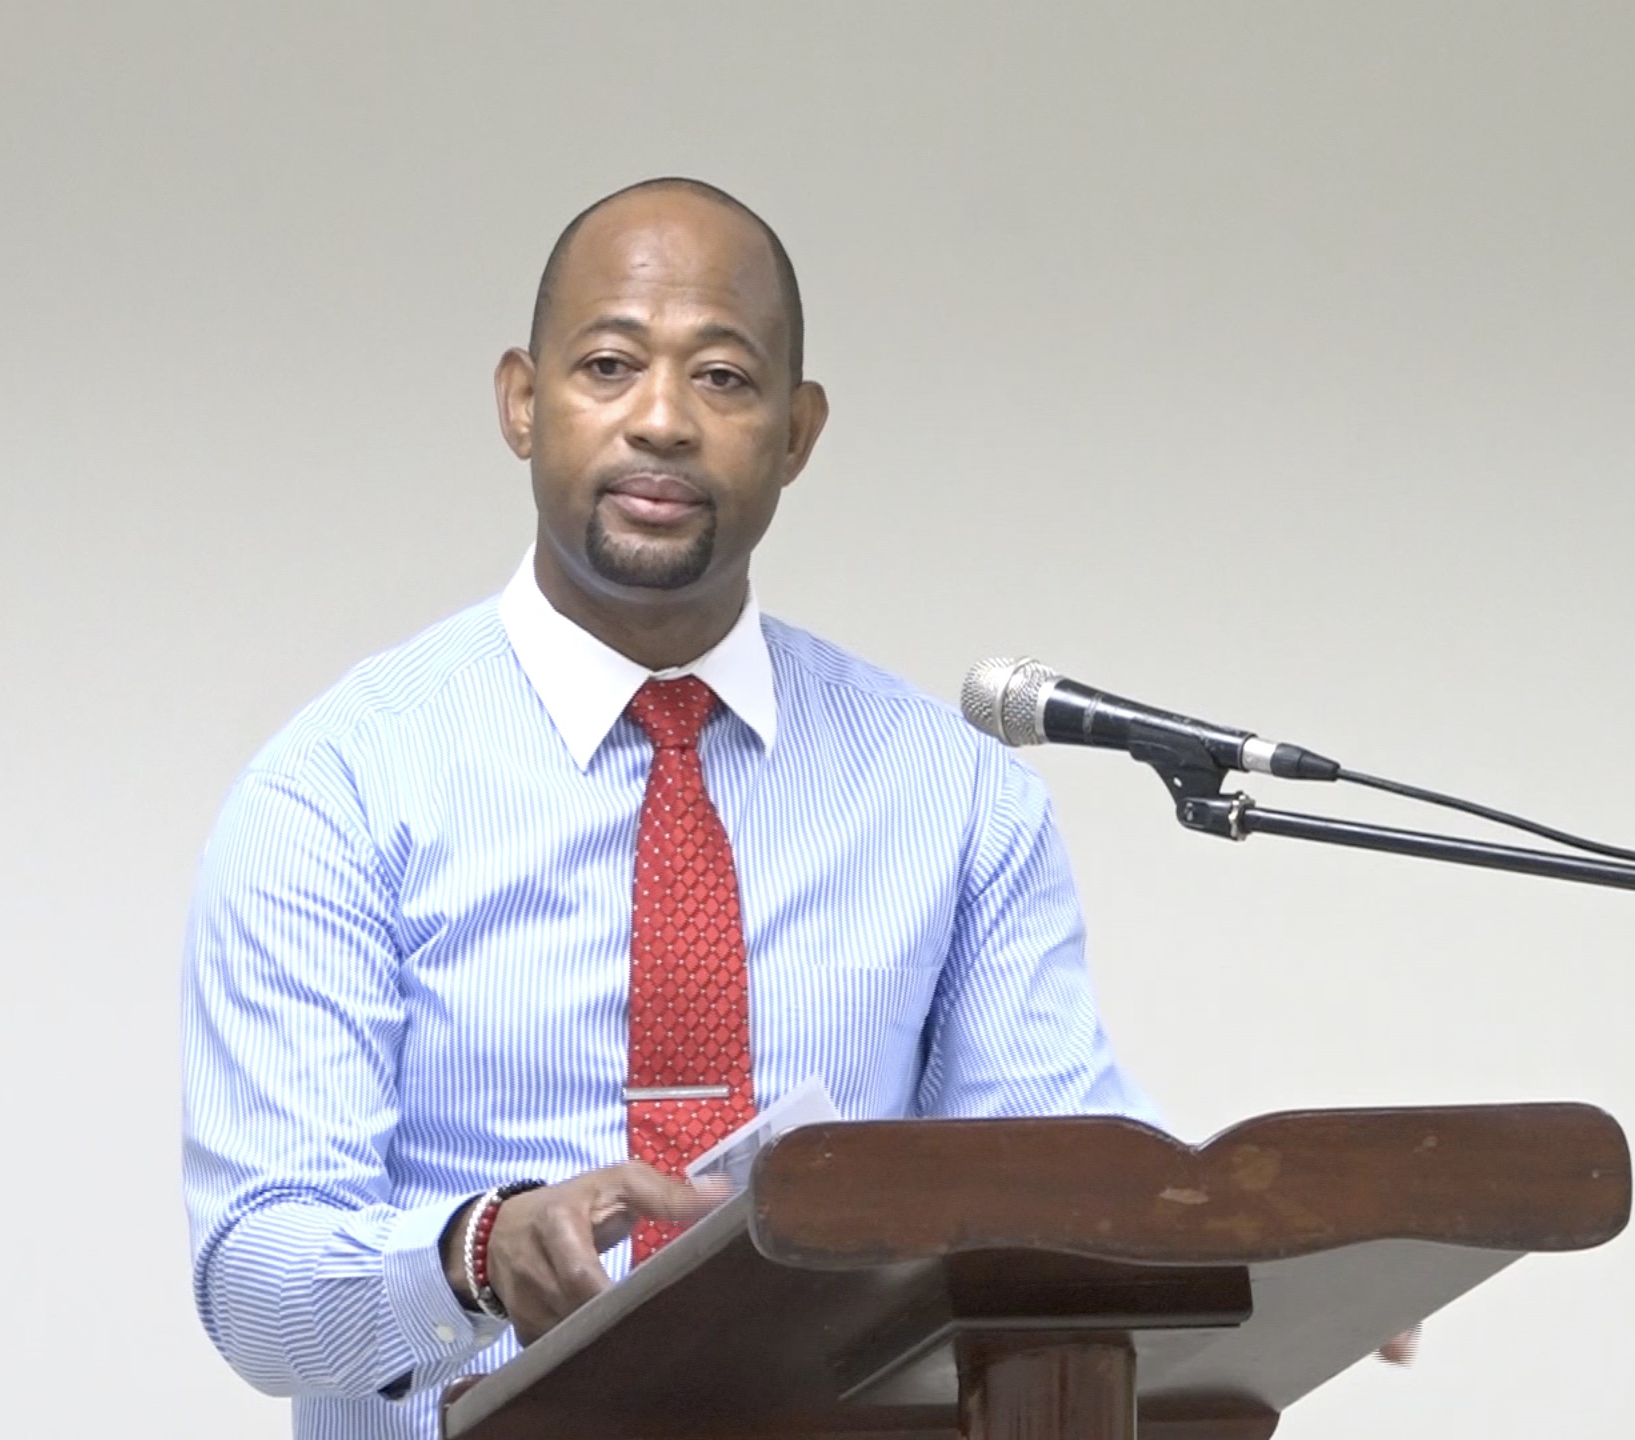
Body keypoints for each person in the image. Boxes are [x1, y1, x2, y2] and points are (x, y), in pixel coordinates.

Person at [180, 178, 1155, 1440]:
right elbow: (258, 1287)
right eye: (606, 365)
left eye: (724, 380)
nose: (662, 421)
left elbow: (1057, 1173)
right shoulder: (338, 793)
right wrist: (478, 1256)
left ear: (797, 433)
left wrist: (1250, 1241)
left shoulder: (954, 797)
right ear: (521, 404)